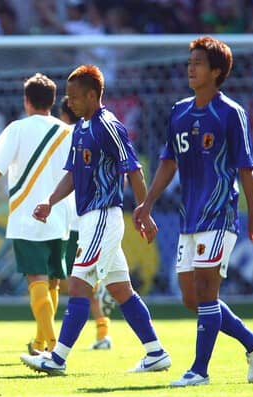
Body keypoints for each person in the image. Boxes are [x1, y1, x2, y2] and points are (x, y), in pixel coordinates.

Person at [20, 65, 171, 375]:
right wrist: (50, 201)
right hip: (90, 218)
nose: (70, 102)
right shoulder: (81, 128)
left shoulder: (109, 126)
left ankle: (57, 358)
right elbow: (73, 174)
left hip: (103, 216)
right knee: (121, 290)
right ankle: (156, 353)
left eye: (75, 96)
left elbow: (134, 170)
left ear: (92, 95)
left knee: (78, 286)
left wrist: (144, 210)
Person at [133, 36, 253, 387]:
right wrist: (147, 202)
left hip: (219, 213)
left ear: (216, 71)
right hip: (189, 217)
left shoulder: (230, 113)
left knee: (206, 289)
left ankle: (199, 370)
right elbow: (168, 161)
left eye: (199, 63)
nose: (191, 68)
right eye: (190, 62)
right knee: (192, 297)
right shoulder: (179, 111)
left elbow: (246, 169)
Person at [0, 73, 73, 355]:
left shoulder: (17, 129)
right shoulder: (67, 132)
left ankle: (53, 347)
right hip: (60, 216)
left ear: (27, 101)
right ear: (52, 101)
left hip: (27, 217)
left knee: (36, 279)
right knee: (52, 282)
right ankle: (40, 342)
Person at [58, 96, 114, 351]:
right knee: (81, 281)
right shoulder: (91, 132)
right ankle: (102, 332)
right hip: (88, 214)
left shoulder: (65, 134)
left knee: (69, 281)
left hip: (70, 218)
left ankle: (50, 342)